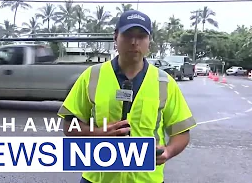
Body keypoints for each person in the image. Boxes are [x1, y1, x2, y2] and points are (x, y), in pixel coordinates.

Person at [57, 10, 197, 183]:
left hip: (146, 179)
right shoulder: (92, 76)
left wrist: (168, 151)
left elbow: (181, 132)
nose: (133, 42)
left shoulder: (164, 82)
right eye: (127, 35)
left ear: (149, 41)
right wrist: (98, 133)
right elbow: (69, 126)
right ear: (115, 37)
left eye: (141, 36)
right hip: (97, 179)